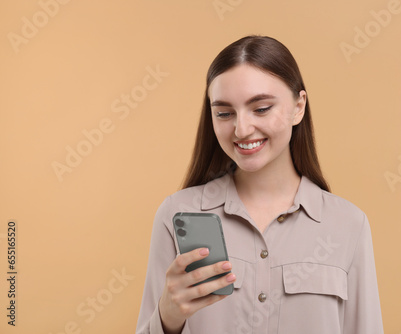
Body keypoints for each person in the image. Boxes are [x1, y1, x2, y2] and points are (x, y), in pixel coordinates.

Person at [136, 35, 384, 334]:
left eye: (261, 108)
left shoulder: (348, 224)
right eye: (224, 113)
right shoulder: (178, 213)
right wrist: (168, 316)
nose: (241, 129)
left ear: (298, 107)